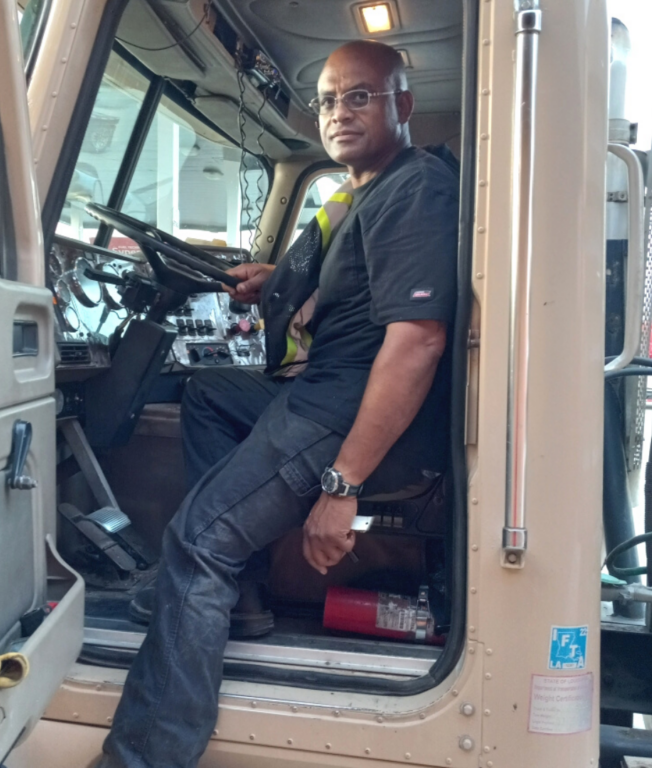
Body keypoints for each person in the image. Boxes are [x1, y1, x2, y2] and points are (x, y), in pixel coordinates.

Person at [98, 38, 459, 768]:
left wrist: (342, 485)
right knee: (209, 395)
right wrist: (279, 281)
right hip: (327, 388)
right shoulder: (366, 194)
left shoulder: (417, 190)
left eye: (361, 96)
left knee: (198, 542)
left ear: (404, 107)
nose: (339, 112)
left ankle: (146, 755)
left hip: (340, 410)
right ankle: (246, 598)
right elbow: (359, 289)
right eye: (329, 100)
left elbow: (416, 341)